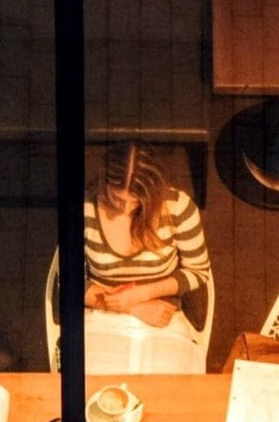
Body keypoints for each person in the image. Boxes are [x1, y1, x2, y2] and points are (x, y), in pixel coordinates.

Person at [83, 142, 211, 335]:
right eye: (116, 198)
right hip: (100, 311)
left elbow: (199, 271)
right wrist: (130, 307)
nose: (125, 209)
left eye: (136, 201)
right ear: (105, 182)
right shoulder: (84, 209)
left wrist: (143, 293)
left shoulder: (178, 207)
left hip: (162, 311)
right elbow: (68, 282)